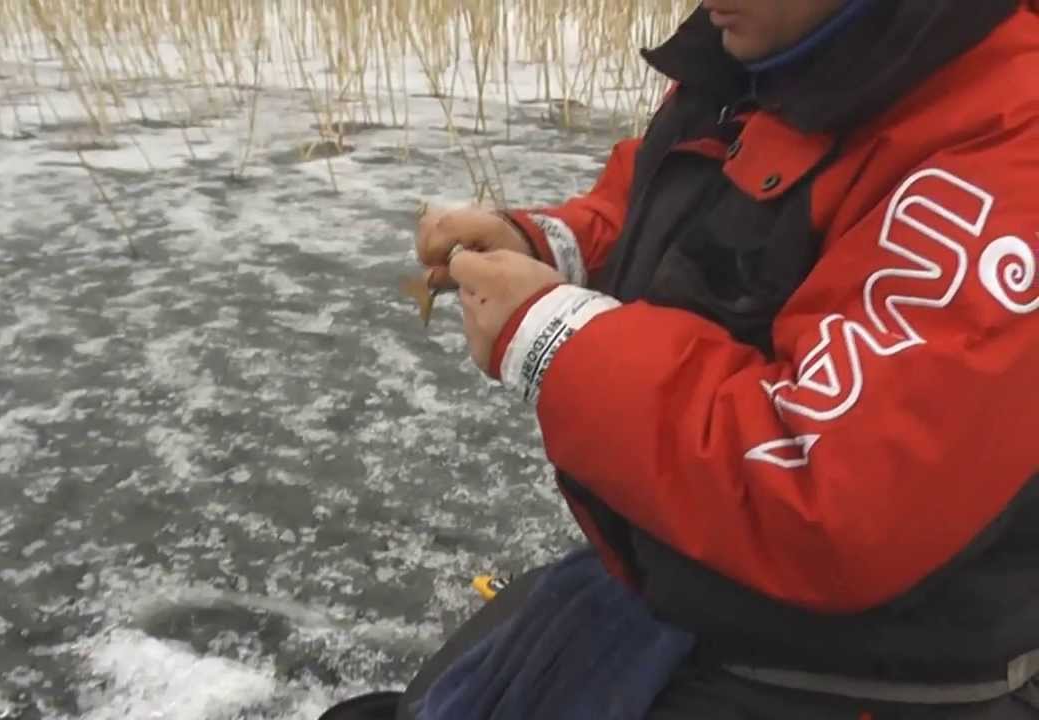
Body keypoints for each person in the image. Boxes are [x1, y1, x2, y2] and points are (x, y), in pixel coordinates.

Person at [329, 0, 1039, 718]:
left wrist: (554, 336)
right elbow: (681, 200)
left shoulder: (1007, 143)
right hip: (688, 598)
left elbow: (829, 495)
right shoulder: (770, 49)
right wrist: (555, 246)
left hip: (857, 678)